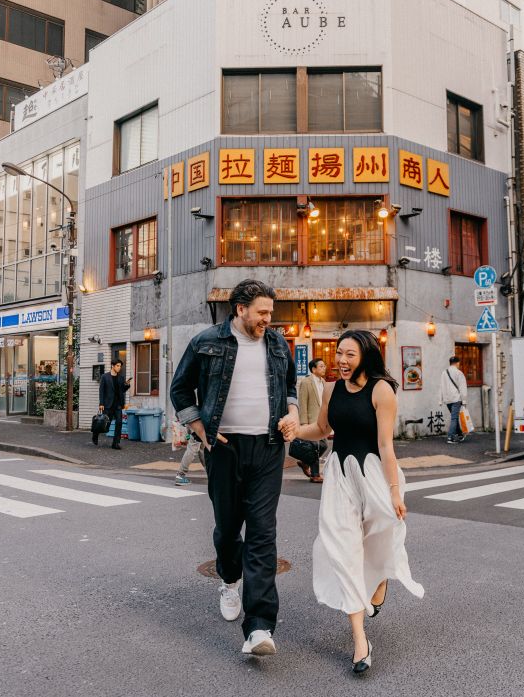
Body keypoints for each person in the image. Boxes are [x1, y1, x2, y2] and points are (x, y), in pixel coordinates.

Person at [170, 279, 299, 657]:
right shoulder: (207, 341)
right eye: (262, 312)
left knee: (262, 533)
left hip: (269, 447)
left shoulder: (276, 343)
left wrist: (292, 414)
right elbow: (180, 389)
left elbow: (290, 386)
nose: (268, 319)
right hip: (223, 448)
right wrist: (199, 427)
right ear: (240, 309)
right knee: (228, 529)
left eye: (270, 313)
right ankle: (229, 578)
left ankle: (259, 627)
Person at [295, 330, 424, 675]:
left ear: (365, 356)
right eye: (339, 353)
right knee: (343, 549)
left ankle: (382, 577)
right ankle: (360, 640)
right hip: (339, 477)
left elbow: (386, 446)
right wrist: (294, 430)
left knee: (384, 531)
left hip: (374, 475)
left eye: (350, 354)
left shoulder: (382, 391)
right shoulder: (331, 389)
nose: (342, 360)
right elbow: (322, 428)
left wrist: (395, 491)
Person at [296, 358, 328, 482]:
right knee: (316, 446)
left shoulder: (324, 382)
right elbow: (302, 403)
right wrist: (303, 423)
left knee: (324, 445)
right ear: (314, 369)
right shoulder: (306, 382)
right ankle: (315, 475)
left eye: (324, 366)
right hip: (311, 420)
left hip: (322, 420)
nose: (324, 368)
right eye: (321, 366)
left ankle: (305, 462)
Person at [94, 359, 131, 449]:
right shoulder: (105, 377)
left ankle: (115, 443)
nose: (119, 368)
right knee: (105, 425)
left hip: (118, 405)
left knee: (119, 423)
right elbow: (101, 390)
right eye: (117, 366)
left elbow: (122, 390)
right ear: (112, 366)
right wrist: (101, 403)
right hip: (108, 404)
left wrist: (127, 385)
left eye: (120, 366)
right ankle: (95, 434)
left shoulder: (121, 377)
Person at [439, 355, 468, 444]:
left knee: (454, 417)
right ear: (457, 363)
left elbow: (441, 387)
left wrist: (440, 400)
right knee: (454, 418)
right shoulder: (459, 373)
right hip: (456, 399)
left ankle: (459, 434)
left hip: (447, 400)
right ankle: (450, 437)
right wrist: (464, 400)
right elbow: (463, 388)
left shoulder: (444, 373)